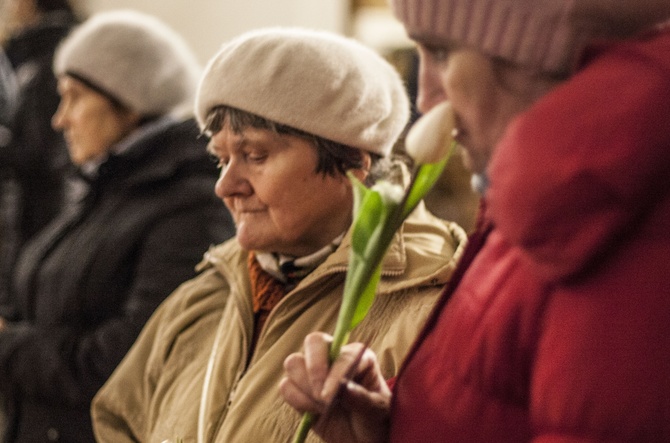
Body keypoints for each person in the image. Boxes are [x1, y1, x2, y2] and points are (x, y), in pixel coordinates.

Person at [280, 1, 670, 442]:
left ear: (534, 52)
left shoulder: (630, 244)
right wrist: (391, 425)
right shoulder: (548, 212)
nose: (425, 100)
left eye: (442, 53)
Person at [91, 27, 467, 443]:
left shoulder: (431, 309)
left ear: (352, 162)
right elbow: (117, 419)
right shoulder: (207, 293)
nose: (226, 185)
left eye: (254, 156)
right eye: (221, 160)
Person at [0, 10, 235, 442]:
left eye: (75, 97)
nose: (59, 119)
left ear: (129, 100)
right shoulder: (104, 186)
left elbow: (127, 363)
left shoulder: (191, 206)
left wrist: (9, 345)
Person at [0, 0, 80, 301]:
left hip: (39, 212)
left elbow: (45, 153)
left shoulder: (52, 54)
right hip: (26, 212)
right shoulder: (27, 54)